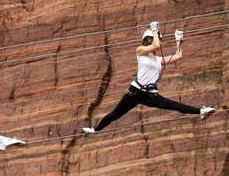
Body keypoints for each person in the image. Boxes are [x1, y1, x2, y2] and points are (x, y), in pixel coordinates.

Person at [83, 22, 215, 133]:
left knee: (175, 105)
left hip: (150, 95)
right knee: (115, 114)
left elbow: (178, 56)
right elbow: (157, 46)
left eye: (150, 39)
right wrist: (155, 30)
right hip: (135, 92)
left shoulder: (158, 60)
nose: (149, 42)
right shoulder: (140, 52)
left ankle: (201, 111)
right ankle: (95, 129)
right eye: (149, 40)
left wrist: (179, 40)